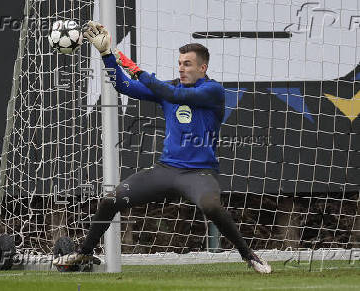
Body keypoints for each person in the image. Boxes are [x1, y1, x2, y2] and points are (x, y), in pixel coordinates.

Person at [53, 21, 271, 274]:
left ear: (203, 67)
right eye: (179, 63)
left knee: (211, 206)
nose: (181, 68)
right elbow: (124, 86)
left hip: (198, 174)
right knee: (111, 200)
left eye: (187, 64)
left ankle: (249, 255)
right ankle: (83, 254)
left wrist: (136, 69)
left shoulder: (213, 91)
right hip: (165, 170)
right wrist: (107, 56)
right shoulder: (169, 88)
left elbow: (178, 97)